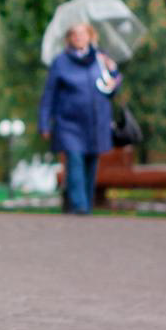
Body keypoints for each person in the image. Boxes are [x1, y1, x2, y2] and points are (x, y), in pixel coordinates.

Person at [38, 22, 122, 214]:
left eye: (82, 34)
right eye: (74, 35)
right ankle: (80, 207)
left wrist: (114, 72)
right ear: (69, 39)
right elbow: (49, 94)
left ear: (90, 36)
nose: (78, 38)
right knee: (74, 160)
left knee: (91, 163)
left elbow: (110, 90)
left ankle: (82, 202)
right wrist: (44, 122)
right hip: (69, 122)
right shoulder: (60, 61)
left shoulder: (101, 60)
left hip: (95, 121)